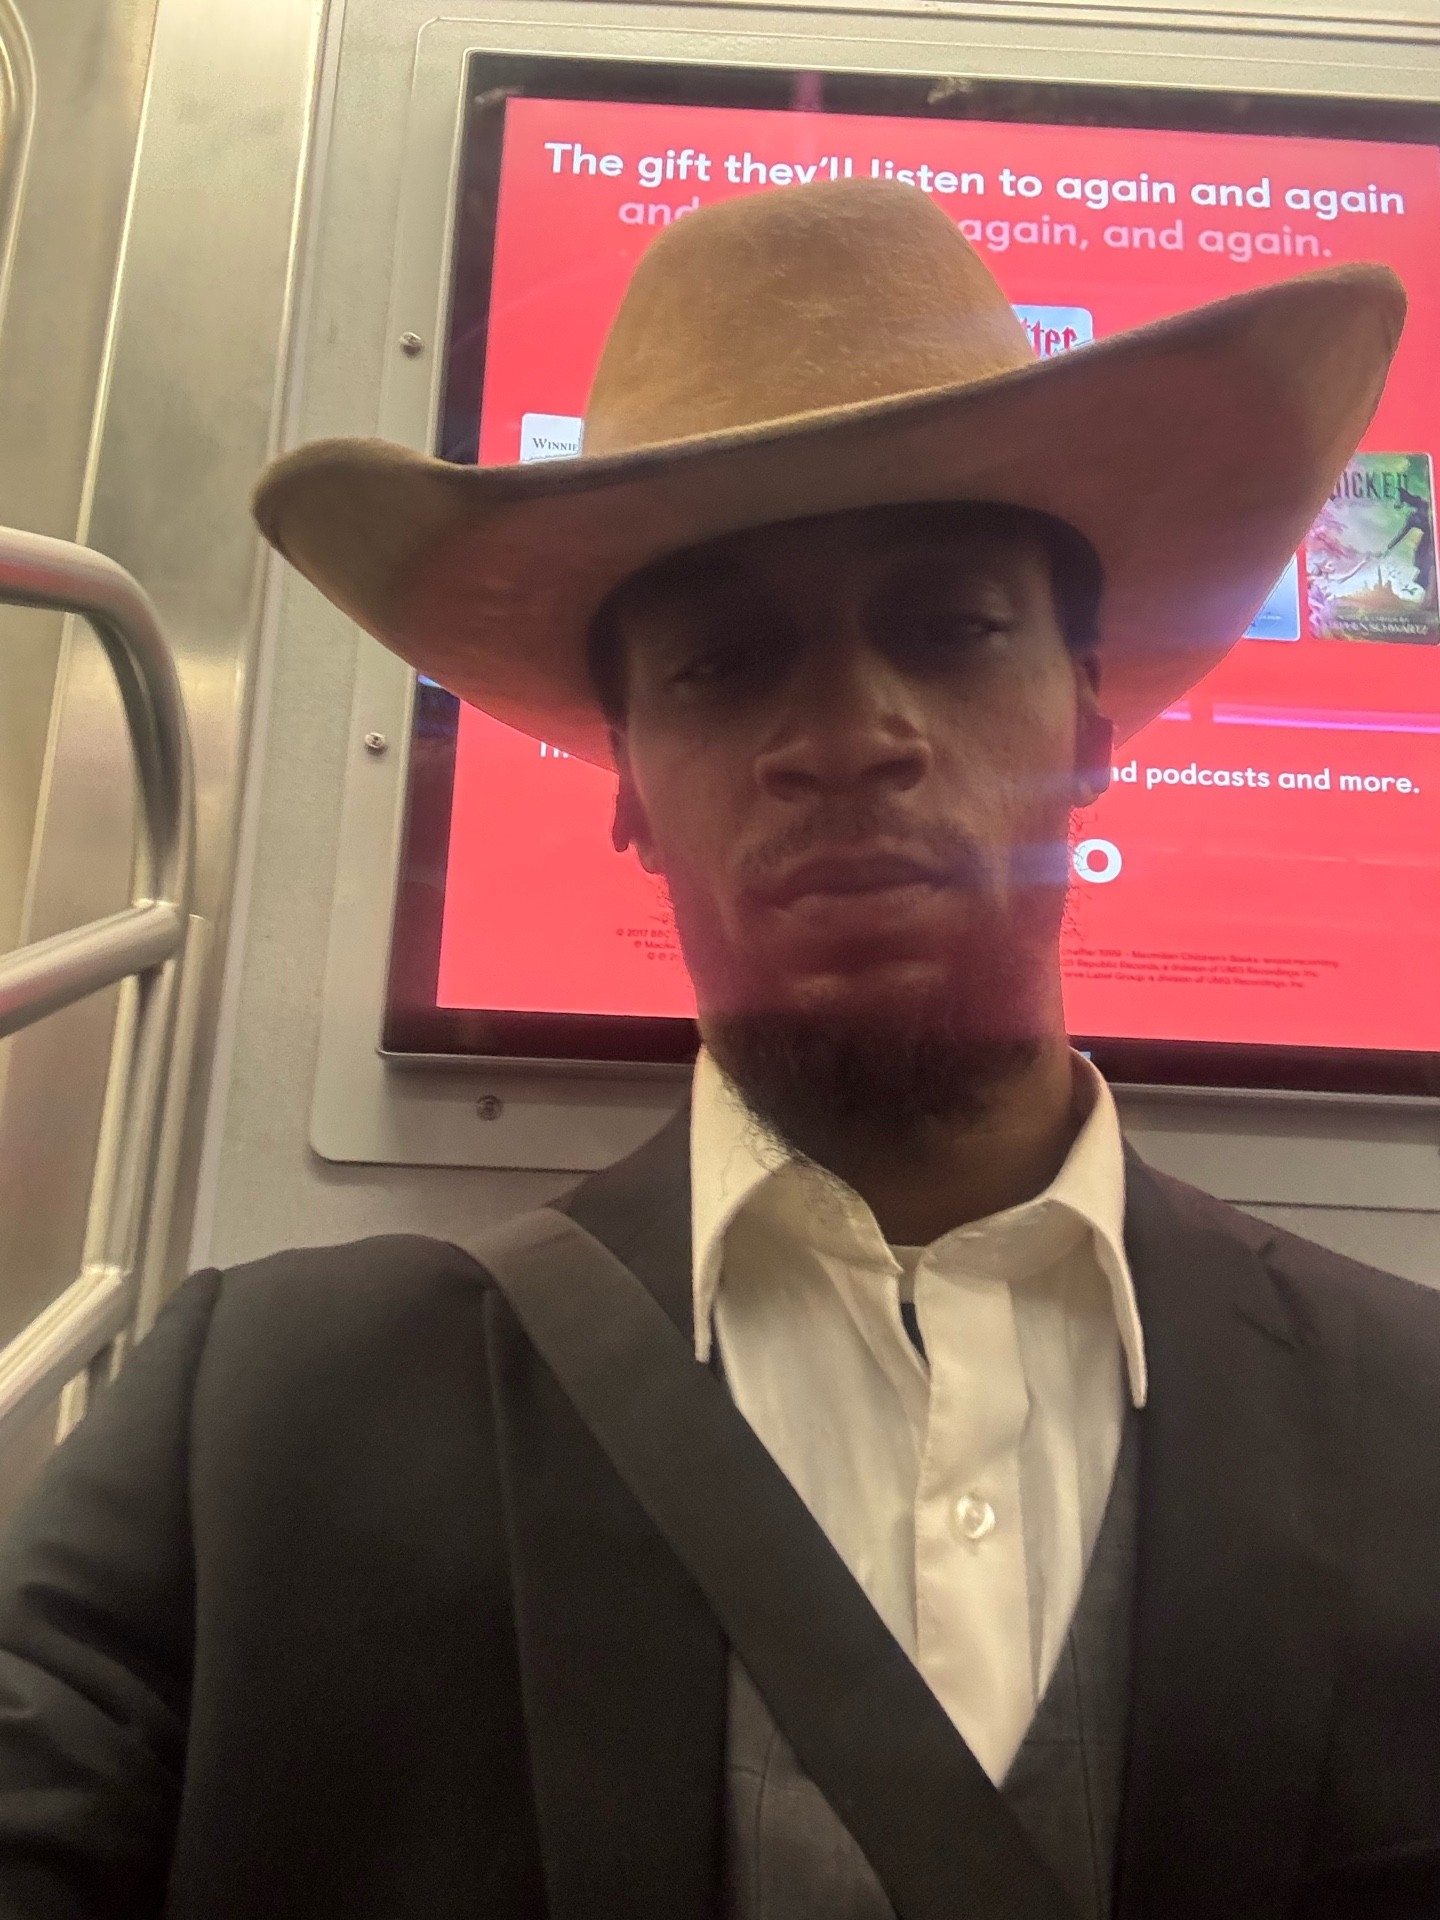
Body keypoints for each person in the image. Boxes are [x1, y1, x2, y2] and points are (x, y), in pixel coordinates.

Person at [0, 181, 1434, 1920]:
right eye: (727, 661)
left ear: (1088, 717)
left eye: (950, 627)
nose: (850, 731)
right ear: (627, 788)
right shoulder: (253, 1431)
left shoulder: (1413, 1425)